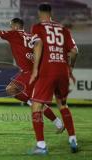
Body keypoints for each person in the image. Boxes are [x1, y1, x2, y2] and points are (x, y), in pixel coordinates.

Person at [0, 18, 64, 132]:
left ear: (15, 26)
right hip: (36, 71)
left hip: (30, 72)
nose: (10, 28)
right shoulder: (31, 36)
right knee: (29, 98)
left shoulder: (14, 34)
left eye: (11, 26)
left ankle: (45, 130)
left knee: (12, 90)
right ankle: (58, 123)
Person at [29, 3, 78, 154]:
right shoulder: (64, 29)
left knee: (36, 106)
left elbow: (38, 45)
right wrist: (69, 68)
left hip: (47, 71)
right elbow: (74, 52)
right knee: (63, 105)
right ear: (51, 13)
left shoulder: (37, 27)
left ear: (39, 13)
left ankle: (41, 146)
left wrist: (35, 70)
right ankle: (72, 139)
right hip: (62, 71)